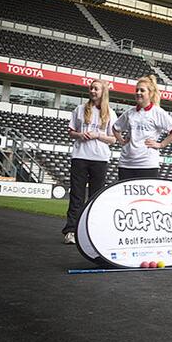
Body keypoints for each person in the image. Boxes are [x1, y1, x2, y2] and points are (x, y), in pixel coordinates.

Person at [62, 79, 117, 244]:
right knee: (76, 196)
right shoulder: (79, 109)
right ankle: (71, 231)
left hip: (100, 159)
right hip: (80, 157)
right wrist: (80, 135)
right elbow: (71, 132)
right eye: (91, 88)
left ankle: (92, 231)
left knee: (95, 197)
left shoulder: (110, 113)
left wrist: (98, 135)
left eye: (96, 89)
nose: (92, 91)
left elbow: (113, 139)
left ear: (103, 92)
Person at [113, 75, 172, 180]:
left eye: (142, 90)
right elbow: (115, 128)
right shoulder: (129, 113)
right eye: (137, 90)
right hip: (126, 163)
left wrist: (161, 144)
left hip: (147, 164)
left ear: (150, 93)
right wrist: (122, 141)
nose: (138, 93)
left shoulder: (157, 112)